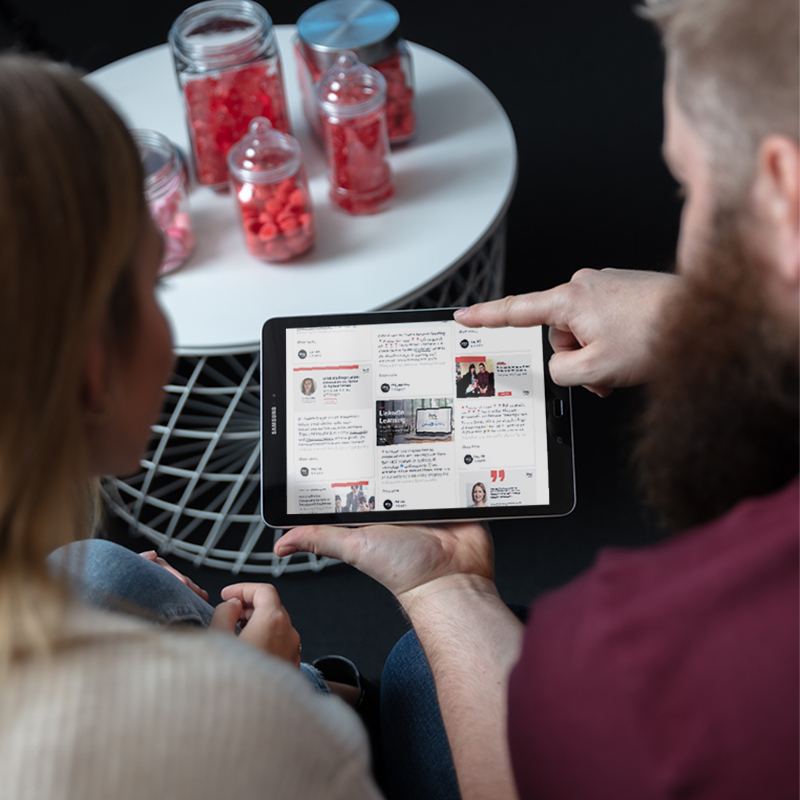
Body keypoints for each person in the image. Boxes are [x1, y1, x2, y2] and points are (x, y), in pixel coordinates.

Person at [275, 0, 799, 797]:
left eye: (687, 186)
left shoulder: (643, 652)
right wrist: (708, 315)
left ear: (782, 189)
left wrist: (442, 588)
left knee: (421, 667)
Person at [0, 54, 380, 799]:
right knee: (417, 675)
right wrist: (256, 697)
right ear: (89, 365)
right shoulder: (234, 726)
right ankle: (341, 697)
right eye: (151, 284)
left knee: (103, 568)